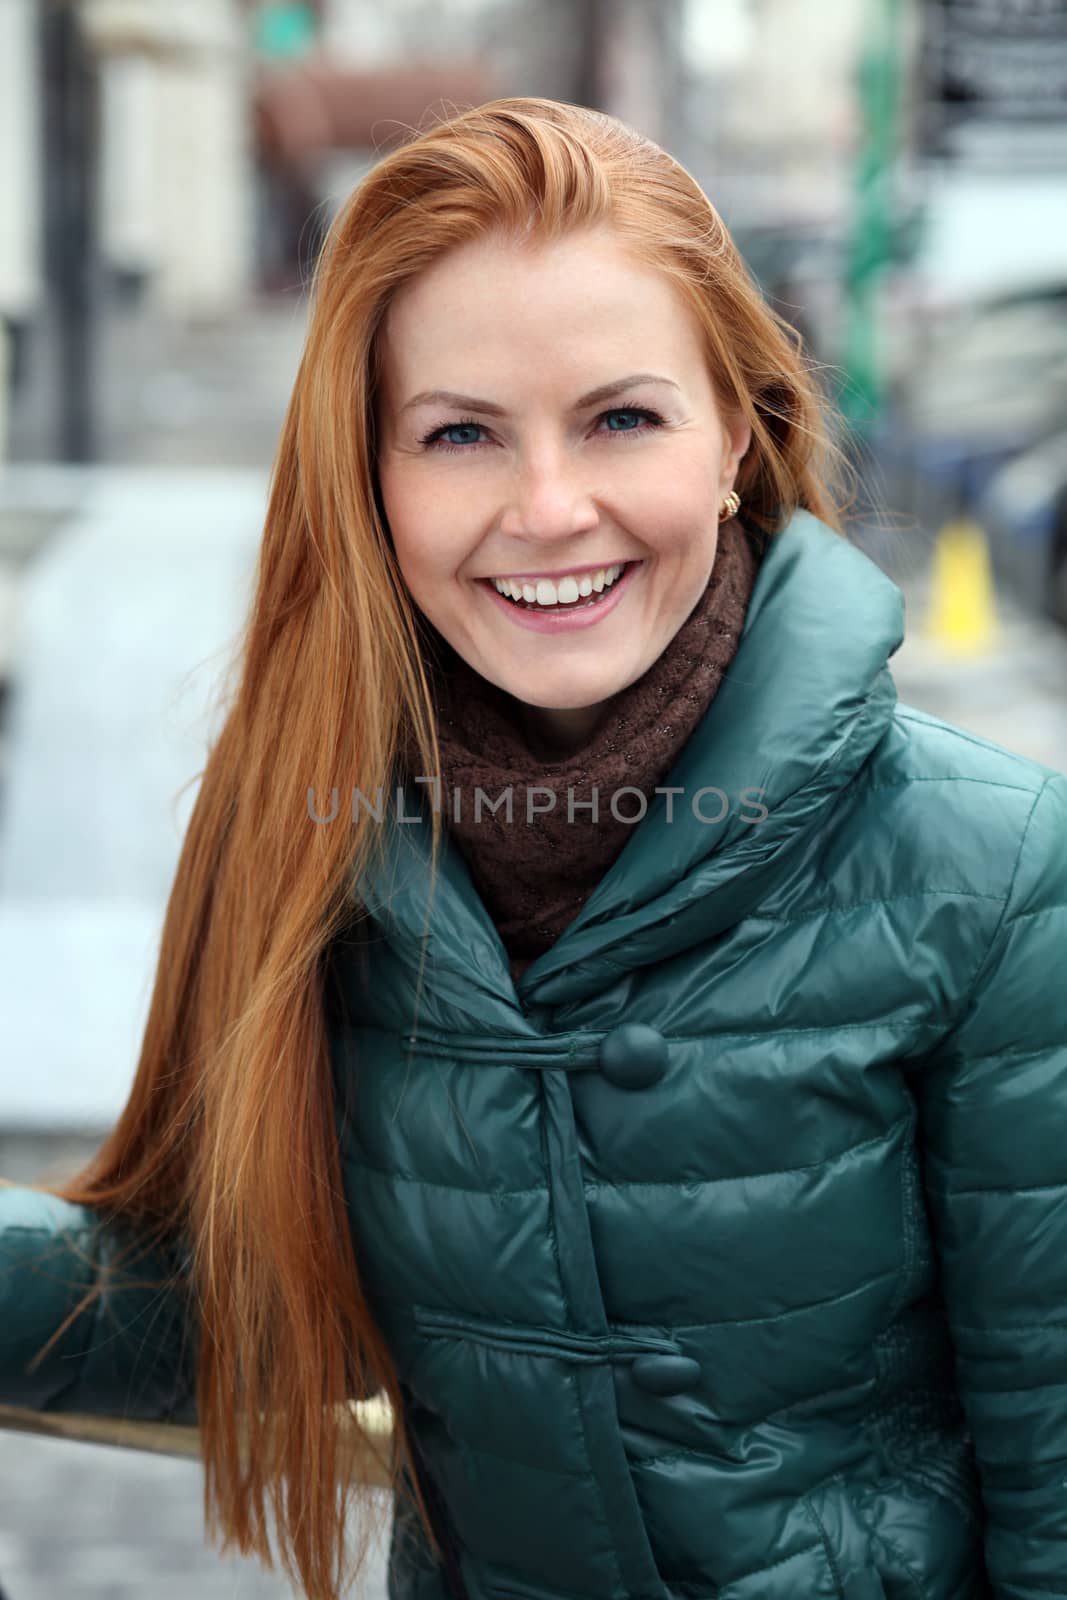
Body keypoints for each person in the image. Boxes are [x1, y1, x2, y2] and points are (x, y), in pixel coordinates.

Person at [1, 96, 1066, 1600]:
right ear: (369, 480)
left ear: (736, 441)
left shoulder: (992, 869)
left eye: (622, 417)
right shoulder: (305, 835)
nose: (549, 509)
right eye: (459, 435)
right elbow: (238, 1312)